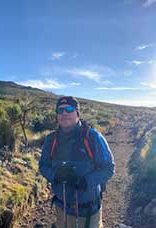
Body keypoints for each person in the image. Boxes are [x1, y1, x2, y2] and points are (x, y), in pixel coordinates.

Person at [39, 96, 115, 228]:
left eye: (69, 109)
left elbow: (109, 168)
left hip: (89, 211)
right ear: (56, 115)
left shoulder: (92, 137)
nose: (64, 113)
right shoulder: (51, 140)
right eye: (60, 110)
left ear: (77, 113)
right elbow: (43, 166)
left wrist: (86, 181)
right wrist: (55, 175)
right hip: (61, 209)